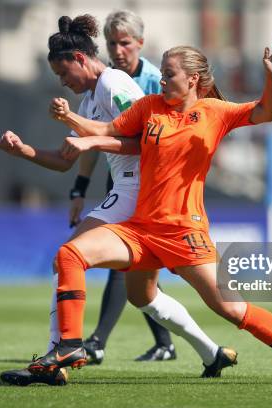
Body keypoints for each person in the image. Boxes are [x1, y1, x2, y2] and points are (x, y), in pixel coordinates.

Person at [31, 37, 272, 384]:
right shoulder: (149, 106)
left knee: (233, 309)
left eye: (168, 74)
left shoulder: (214, 112)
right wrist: (70, 118)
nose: (161, 80)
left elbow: (268, 112)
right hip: (141, 229)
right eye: (161, 73)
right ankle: (71, 345)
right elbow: (106, 130)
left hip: (184, 234)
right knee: (74, 257)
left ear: (193, 79)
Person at [0, 14, 236, 386]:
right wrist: (25, 152)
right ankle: (211, 353)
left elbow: (149, 139)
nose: (63, 82)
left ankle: (55, 359)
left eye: (64, 73)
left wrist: (85, 133)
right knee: (142, 296)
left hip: (140, 191)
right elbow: (66, 162)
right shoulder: (94, 96)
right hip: (126, 192)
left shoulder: (112, 83)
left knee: (68, 259)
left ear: (80, 58)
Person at [72, 10, 176, 365]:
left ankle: (98, 340)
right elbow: (90, 142)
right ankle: (166, 342)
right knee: (134, 265)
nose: (117, 50)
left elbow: (151, 138)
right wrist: (79, 190)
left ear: (140, 44)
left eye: (125, 43)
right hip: (119, 175)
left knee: (131, 261)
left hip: (153, 181)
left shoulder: (152, 82)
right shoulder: (98, 88)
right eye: (112, 43)